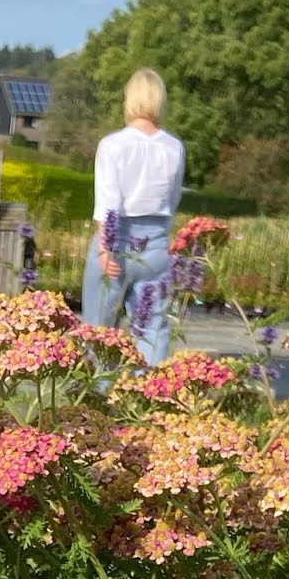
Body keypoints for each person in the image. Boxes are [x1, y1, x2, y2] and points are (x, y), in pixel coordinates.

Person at [82, 68, 185, 367]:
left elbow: (109, 200)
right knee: (153, 329)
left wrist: (104, 247)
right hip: (157, 241)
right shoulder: (173, 147)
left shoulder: (113, 144)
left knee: (99, 330)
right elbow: (174, 197)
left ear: (129, 99)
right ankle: (146, 400)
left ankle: (96, 401)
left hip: (119, 240)